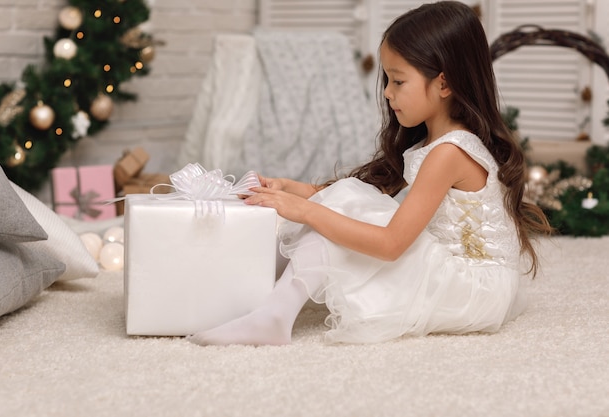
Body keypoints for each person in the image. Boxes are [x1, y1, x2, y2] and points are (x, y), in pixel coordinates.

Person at [187, 0, 552, 346]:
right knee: (348, 200)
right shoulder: (436, 143)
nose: (388, 94)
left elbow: (391, 245)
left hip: (473, 289)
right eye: (387, 81)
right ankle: (252, 297)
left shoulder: (449, 153)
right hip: (468, 278)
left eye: (398, 81)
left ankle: (273, 315)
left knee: (339, 211)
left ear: (443, 84)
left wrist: (303, 210)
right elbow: (373, 200)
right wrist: (289, 189)